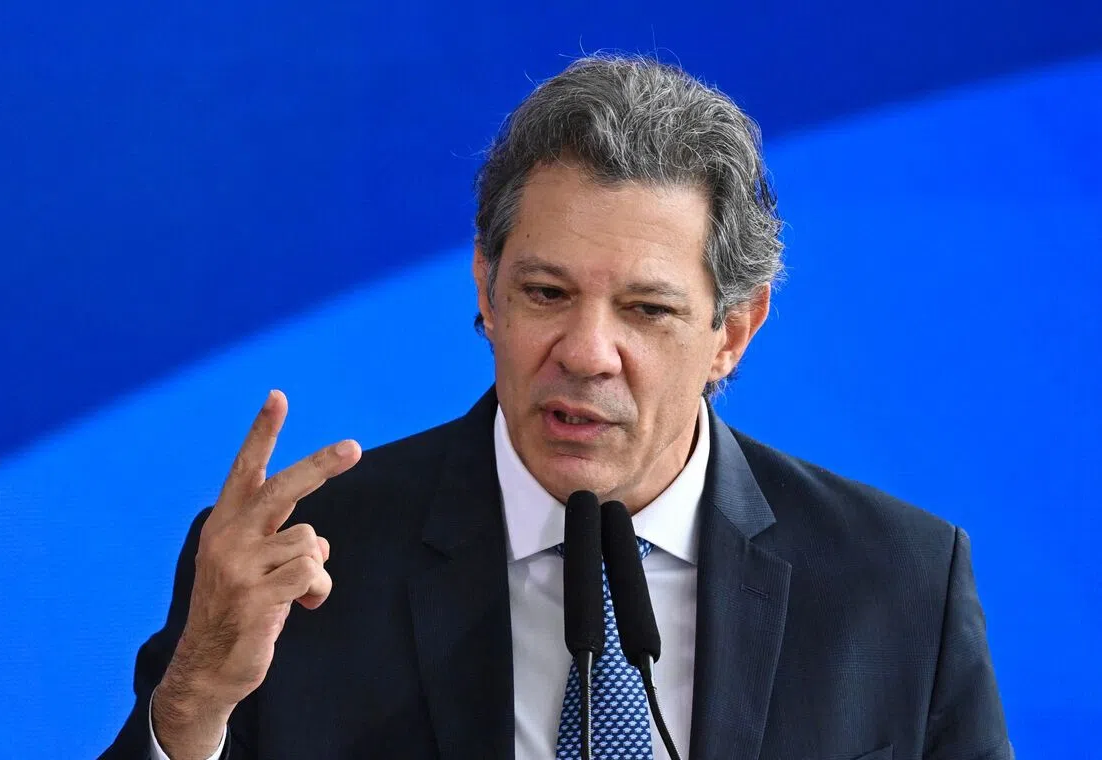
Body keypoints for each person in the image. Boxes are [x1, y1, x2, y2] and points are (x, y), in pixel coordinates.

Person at [101, 55, 1012, 760]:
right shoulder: (295, 571)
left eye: (647, 310)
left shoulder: (898, 584)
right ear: (486, 291)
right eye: (544, 293)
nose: (585, 352)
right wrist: (189, 709)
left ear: (732, 332)